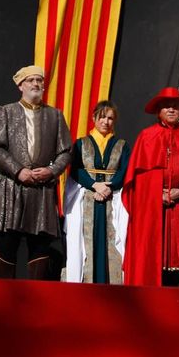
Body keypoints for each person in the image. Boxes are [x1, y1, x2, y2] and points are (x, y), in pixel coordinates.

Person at [0, 65, 72, 279]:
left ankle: (36, 298)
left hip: (42, 189)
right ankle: (6, 296)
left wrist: (51, 171)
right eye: (31, 80)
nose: (36, 84)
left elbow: (66, 152)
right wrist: (18, 170)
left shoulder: (55, 116)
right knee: (8, 241)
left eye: (39, 80)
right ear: (20, 85)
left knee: (40, 243)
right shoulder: (6, 111)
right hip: (12, 185)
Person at [124, 88, 179, 287]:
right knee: (153, 254)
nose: (171, 109)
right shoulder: (146, 137)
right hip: (153, 209)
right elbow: (135, 183)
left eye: (176, 105)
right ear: (158, 111)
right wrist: (154, 194)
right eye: (166, 106)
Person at [64, 100, 131, 283]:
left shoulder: (121, 145)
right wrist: (95, 185)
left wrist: (109, 187)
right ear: (94, 118)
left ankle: (112, 283)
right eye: (102, 117)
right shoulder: (81, 143)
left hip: (112, 198)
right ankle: (86, 282)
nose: (106, 122)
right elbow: (76, 169)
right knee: (86, 241)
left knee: (112, 239)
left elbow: (125, 170)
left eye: (110, 118)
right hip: (87, 197)